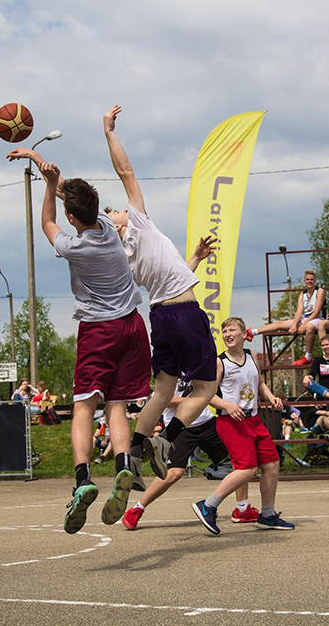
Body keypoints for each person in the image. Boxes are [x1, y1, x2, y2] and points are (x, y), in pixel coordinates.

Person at [7, 135, 148, 535]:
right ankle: (123, 467)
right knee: (117, 404)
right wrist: (38, 157)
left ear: (73, 218)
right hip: (134, 326)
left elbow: (47, 221)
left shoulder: (75, 246)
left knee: (85, 405)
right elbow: (75, 198)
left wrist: (48, 184)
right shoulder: (105, 222)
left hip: (100, 330)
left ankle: (83, 479)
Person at [95, 105, 225, 485]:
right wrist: (109, 133)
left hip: (161, 317)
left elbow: (171, 277)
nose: (122, 208)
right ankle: (166, 442)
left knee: (163, 388)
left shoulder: (123, 257)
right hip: (184, 313)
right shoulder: (137, 222)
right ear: (120, 222)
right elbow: (126, 171)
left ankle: (133, 455)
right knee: (207, 385)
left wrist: (195, 259)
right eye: (117, 211)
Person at [192, 317, 294, 534]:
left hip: (254, 419)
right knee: (247, 469)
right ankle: (208, 505)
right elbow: (207, 395)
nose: (228, 334)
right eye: (224, 331)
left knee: (272, 464)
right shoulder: (220, 362)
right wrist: (228, 405)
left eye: (232, 330)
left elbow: (260, 383)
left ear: (242, 333)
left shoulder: (251, 356)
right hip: (231, 421)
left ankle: (267, 515)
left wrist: (271, 397)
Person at [124, 378, 256, 530]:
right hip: (180, 427)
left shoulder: (197, 366)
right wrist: (196, 399)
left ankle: (242, 509)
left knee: (240, 461)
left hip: (207, 423)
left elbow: (209, 391)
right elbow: (165, 399)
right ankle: (137, 508)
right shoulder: (169, 371)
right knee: (174, 473)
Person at [246, 270, 326, 367]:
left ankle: (308, 357)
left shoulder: (319, 291)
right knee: (280, 323)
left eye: (312, 280)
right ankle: (253, 332)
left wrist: (304, 325)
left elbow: (317, 311)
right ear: (304, 281)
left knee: (309, 328)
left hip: (318, 319)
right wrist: (294, 325)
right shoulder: (302, 295)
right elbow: (299, 312)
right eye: (308, 279)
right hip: (306, 318)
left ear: (315, 281)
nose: (310, 281)